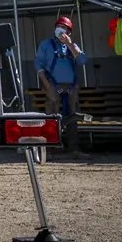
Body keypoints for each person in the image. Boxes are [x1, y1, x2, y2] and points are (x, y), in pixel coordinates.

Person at [33, 15, 86, 149]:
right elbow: (38, 65)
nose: (60, 30)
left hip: (71, 86)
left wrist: (69, 44)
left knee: (73, 116)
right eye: (58, 27)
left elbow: (82, 61)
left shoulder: (72, 46)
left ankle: (74, 149)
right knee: (51, 116)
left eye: (63, 28)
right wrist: (47, 85)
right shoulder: (46, 45)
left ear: (69, 32)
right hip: (53, 85)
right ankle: (50, 149)